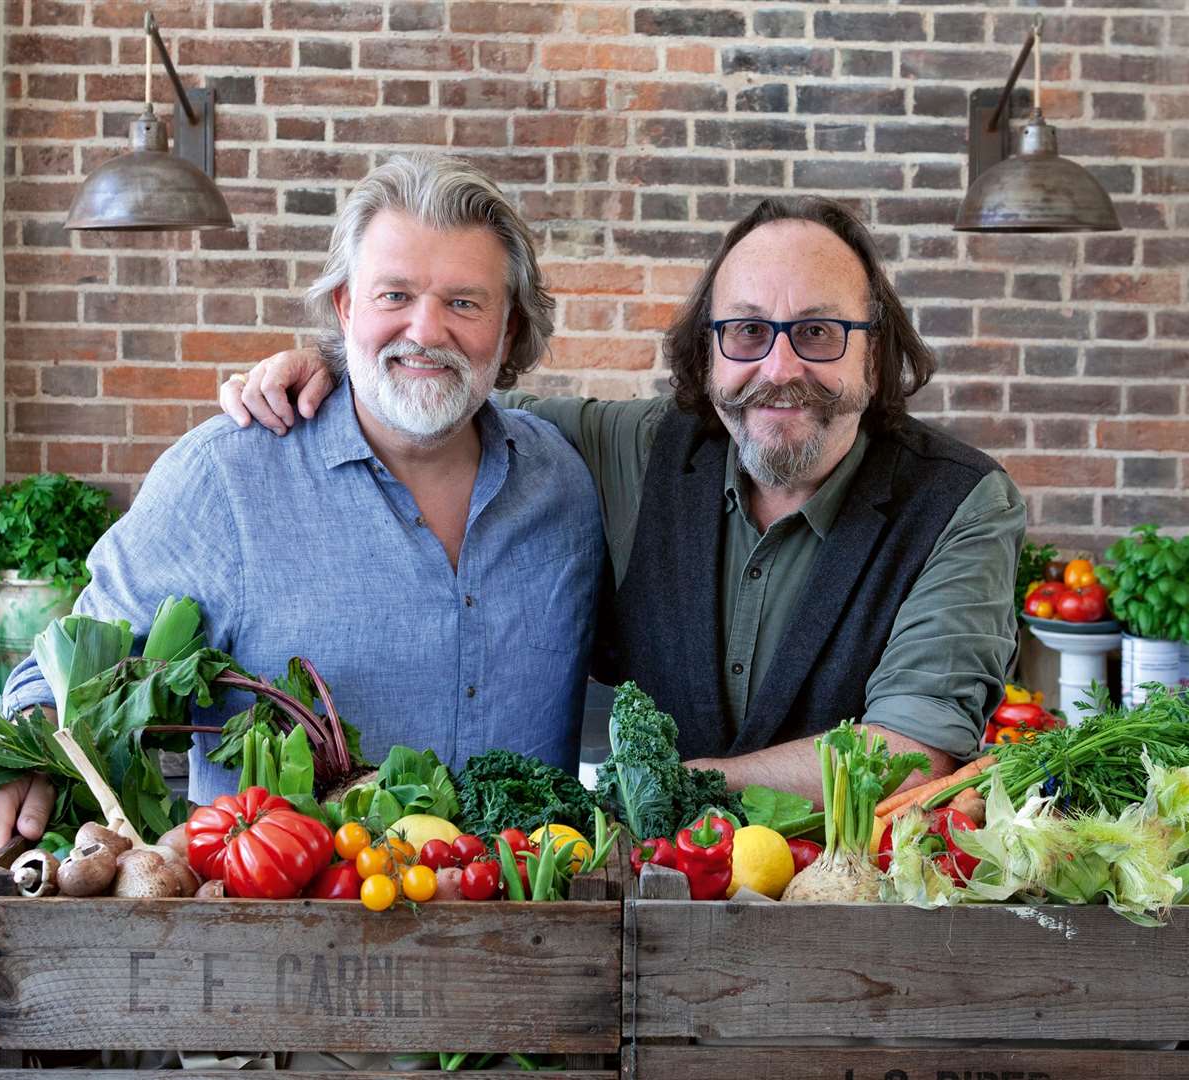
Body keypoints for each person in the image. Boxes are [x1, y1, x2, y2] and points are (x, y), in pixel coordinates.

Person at [221, 194, 1025, 801]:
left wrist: (670, 786)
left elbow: (910, 750)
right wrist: (340, 363)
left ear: (875, 356)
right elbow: (445, 399)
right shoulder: (637, 450)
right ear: (707, 352)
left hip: (854, 931)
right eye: (746, 332)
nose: (779, 367)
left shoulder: (959, 505)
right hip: (647, 916)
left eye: (817, 332)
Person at [0, 153, 604, 864]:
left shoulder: (566, 486)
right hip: (285, 949)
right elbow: (69, 659)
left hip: (531, 949)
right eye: (393, 296)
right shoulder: (227, 478)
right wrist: (17, 749)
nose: (426, 331)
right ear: (344, 308)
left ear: (510, 328)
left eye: (464, 302)